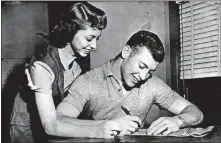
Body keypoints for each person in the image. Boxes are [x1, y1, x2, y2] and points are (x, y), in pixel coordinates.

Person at [56, 30, 204, 138]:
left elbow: (195, 112)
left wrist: (178, 121)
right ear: (126, 51)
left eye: (150, 71)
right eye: (141, 66)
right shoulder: (88, 81)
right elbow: (59, 120)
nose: (143, 76)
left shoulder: (152, 84)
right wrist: (108, 125)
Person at [10, 2, 107, 142]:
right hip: (27, 130)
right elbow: (50, 126)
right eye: (89, 38)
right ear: (71, 31)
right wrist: (97, 130)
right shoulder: (42, 66)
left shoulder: (77, 66)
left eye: (97, 39)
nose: (94, 46)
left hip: (52, 128)